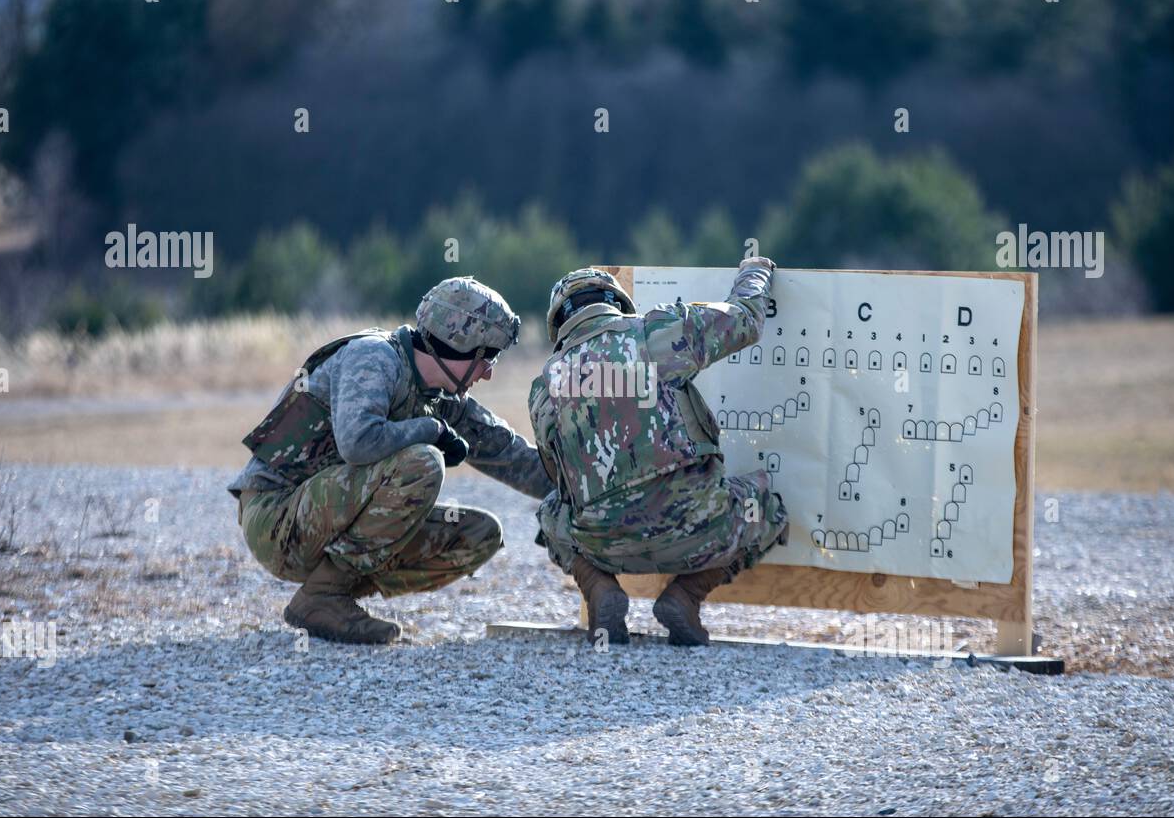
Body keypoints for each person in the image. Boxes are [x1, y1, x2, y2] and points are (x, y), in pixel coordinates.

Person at [229, 277, 552, 644]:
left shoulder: (440, 394)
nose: (489, 372)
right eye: (488, 357)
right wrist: (430, 429)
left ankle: (334, 593)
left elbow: (509, 454)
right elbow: (357, 441)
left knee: (479, 535)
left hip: (324, 519)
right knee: (424, 463)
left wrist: (584, 494)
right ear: (463, 346)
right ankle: (322, 598)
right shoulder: (374, 357)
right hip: (276, 519)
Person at [529, 258, 789, 646]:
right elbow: (744, 320)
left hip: (603, 545)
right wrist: (755, 270)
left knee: (550, 512)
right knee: (766, 505)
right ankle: (685, 596)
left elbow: (560, 482)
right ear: (615, 302)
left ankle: (599, 588)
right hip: (698, 531)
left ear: (560, 324)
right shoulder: (655, 333)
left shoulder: (543, 387)